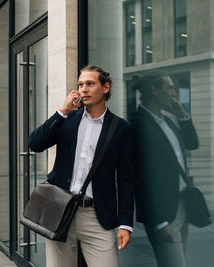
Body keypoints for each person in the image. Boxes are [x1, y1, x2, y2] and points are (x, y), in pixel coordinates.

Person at [29, 65, 134, 267]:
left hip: (97, 215)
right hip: (59, 211)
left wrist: (125, 223)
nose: (83, 89)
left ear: (106, 87)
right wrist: (63, 110)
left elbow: (126, 179)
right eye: (80, 84)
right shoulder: (67, 120)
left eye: (90, 84)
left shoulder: (121, 128)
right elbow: (35, 144)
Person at [130, 72, 199, 267]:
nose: (173, 92)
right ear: (154, 90)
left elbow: (192, 143)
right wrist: (158, 222)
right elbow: (141, 179)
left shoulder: (167, 121)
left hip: (181, 204)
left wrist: (183, 115)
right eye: (169, 87)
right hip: (163, 214)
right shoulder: (138, 125)